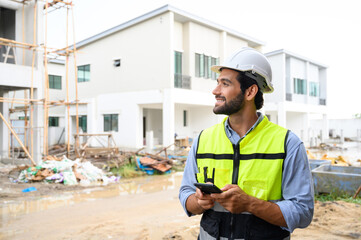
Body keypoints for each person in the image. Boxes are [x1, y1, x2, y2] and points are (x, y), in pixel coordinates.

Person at [179, 47, 314, 240]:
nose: (215, 91)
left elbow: (303, 212)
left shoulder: (287, 144)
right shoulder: (203, 139)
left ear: (250, 91)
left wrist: (250, 204)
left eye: (225, 84)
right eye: (218, 83)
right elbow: (186, 193)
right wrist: (198, 201)